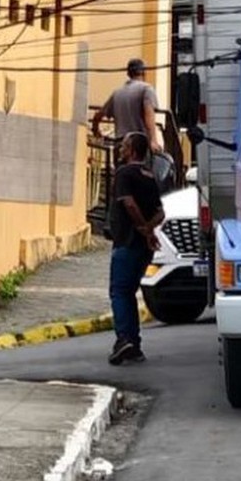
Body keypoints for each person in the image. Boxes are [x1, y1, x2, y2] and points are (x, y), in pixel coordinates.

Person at [107, 132, 164, 365]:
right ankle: (134, 344)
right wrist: (150, 231)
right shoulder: (149, 176)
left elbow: (128, 203)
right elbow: (161, 213)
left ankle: (125, 339)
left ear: (132, 150)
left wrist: (141, 226)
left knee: (119, 291)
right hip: (143, 247)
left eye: (124, 146)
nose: (120, 149)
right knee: (128, 292)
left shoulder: (124, 173)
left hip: (127, 243)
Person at [92, 58, 162, 154]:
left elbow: (98, 115)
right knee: (142, 168)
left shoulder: (117, 93)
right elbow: (149, 115)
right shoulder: (147, 89)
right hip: (139, 144)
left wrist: (96, 130)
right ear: (144, 73)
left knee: (121, 168)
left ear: (128, 74)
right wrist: (153, 140)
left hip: (120, 144)